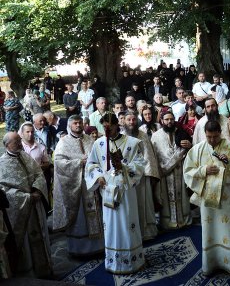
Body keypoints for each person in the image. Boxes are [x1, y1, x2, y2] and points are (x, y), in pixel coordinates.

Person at [184, 120, 230, 276]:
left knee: (229, 228)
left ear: (220, 133)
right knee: (209, 230)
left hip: (227, 198)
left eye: (215, 136)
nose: (212, 140)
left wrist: (229, 162)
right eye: (208, 136)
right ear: (205, 134)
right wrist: (203, 170)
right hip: (208, 201)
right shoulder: (197, 149)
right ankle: (211, 264)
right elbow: (188, 172)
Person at [85, 113, 145, 274]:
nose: (107, 129)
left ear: (116, 124)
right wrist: (98, 177)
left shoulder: (132, 143)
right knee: (110, 225)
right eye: (104, 126)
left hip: (125, 191)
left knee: (127, 223)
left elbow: (140, 165)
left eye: (109, 126)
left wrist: (124, 168)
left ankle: (133, 261)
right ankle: (113, 262)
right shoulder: (98, 144)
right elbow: (91, 164)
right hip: (107, 191)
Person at [0, 132, 53, 278]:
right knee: (27, 243)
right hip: (22, 209)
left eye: (19, 140)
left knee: (41, 235)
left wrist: (37, 190)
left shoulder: (25, 156)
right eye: (16, 141)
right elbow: (4, 191)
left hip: (36, 203)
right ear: (6, 145)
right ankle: (31, 275)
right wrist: (27, 197)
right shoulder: (2, 163)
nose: (19, 143)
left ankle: (45, 270)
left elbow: (39, 174)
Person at [52, 115, 104, 257]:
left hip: (92, 184)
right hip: (77, 185)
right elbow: (59, 163)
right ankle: (80, 249)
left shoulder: (89, 139)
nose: (78, 125)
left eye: (80, 122)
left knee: (96, 213)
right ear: (69, 126)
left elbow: (99, 157)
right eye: (75, 123)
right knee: (80, 217)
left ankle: (99, 245)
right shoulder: (63, 142)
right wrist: (79, 163)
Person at [151, 112, 193, 229]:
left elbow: (190, 150)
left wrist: (190, 145)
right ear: (162, 121)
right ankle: (167, 222)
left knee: (182, 195)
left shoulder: (181, 132)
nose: (169, 122)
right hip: (164, 173)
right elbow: (154, 155)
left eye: (171, 119)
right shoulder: (156, 136)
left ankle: (183, 219)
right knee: (165, 196)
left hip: (180, 171)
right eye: (167, 119)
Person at [123, 112, 160, 241]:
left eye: (134, 119)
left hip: (143, 176)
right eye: (129, 119)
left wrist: (148, 173)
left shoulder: (143, 135)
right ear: (124, 121)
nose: (132, 122)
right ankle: (132, 234)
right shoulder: (121, 137)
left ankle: (147, 232)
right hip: (127, 177)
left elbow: (148, 155)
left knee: (145, 203)